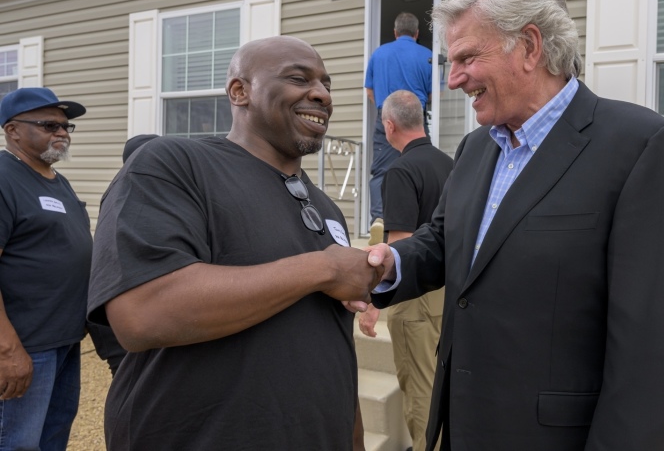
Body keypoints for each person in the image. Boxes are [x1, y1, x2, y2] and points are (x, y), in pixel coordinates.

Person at [361, 0, 664, 450]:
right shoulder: (477, 148)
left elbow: (656, 354)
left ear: (529, 46)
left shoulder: (642, 147)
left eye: (466, 58)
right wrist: (388, 264)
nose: (454, 79)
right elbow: (444, 242)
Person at [88, 35, 382, 450]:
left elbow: (330, 344)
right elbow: (141, 313)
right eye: (299, 78)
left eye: (326, 84)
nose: (320, 93)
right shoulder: (174, 165)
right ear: (239, 91)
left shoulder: (326, 208)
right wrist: (326, 268)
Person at [357, 90, 452, 451]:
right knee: (440, 380)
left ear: (389, 125)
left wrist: (373, 305)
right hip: (447, 287)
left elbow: (400, 248)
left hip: (415, 300)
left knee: (419, 388)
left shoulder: (400, 171)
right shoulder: (450, 163)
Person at [0, 87, 90, 451]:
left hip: (63, 340)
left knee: (52, 438)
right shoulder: (4, 178)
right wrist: (7, 350)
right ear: (12, 131)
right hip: (25, 343)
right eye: (49, 124)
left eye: (66, 126)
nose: (62, 133)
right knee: (17, 442)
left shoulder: (57, 180)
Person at [87, 134, 160, 377]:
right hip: (120, 310)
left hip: (121, 308)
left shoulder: (133, 190)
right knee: (132, 378)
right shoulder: (131, 196)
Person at [364, 12, 433, 242]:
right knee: (421, 167)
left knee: (383, 169)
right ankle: (421, 221)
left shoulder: (379, 54)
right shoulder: (427, 56)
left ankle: (379, 220)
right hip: (415, 118)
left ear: (395, 32)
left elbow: (370, 91)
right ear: (416, 33)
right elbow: (436, 93)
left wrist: (388, 113)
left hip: (388, 119)